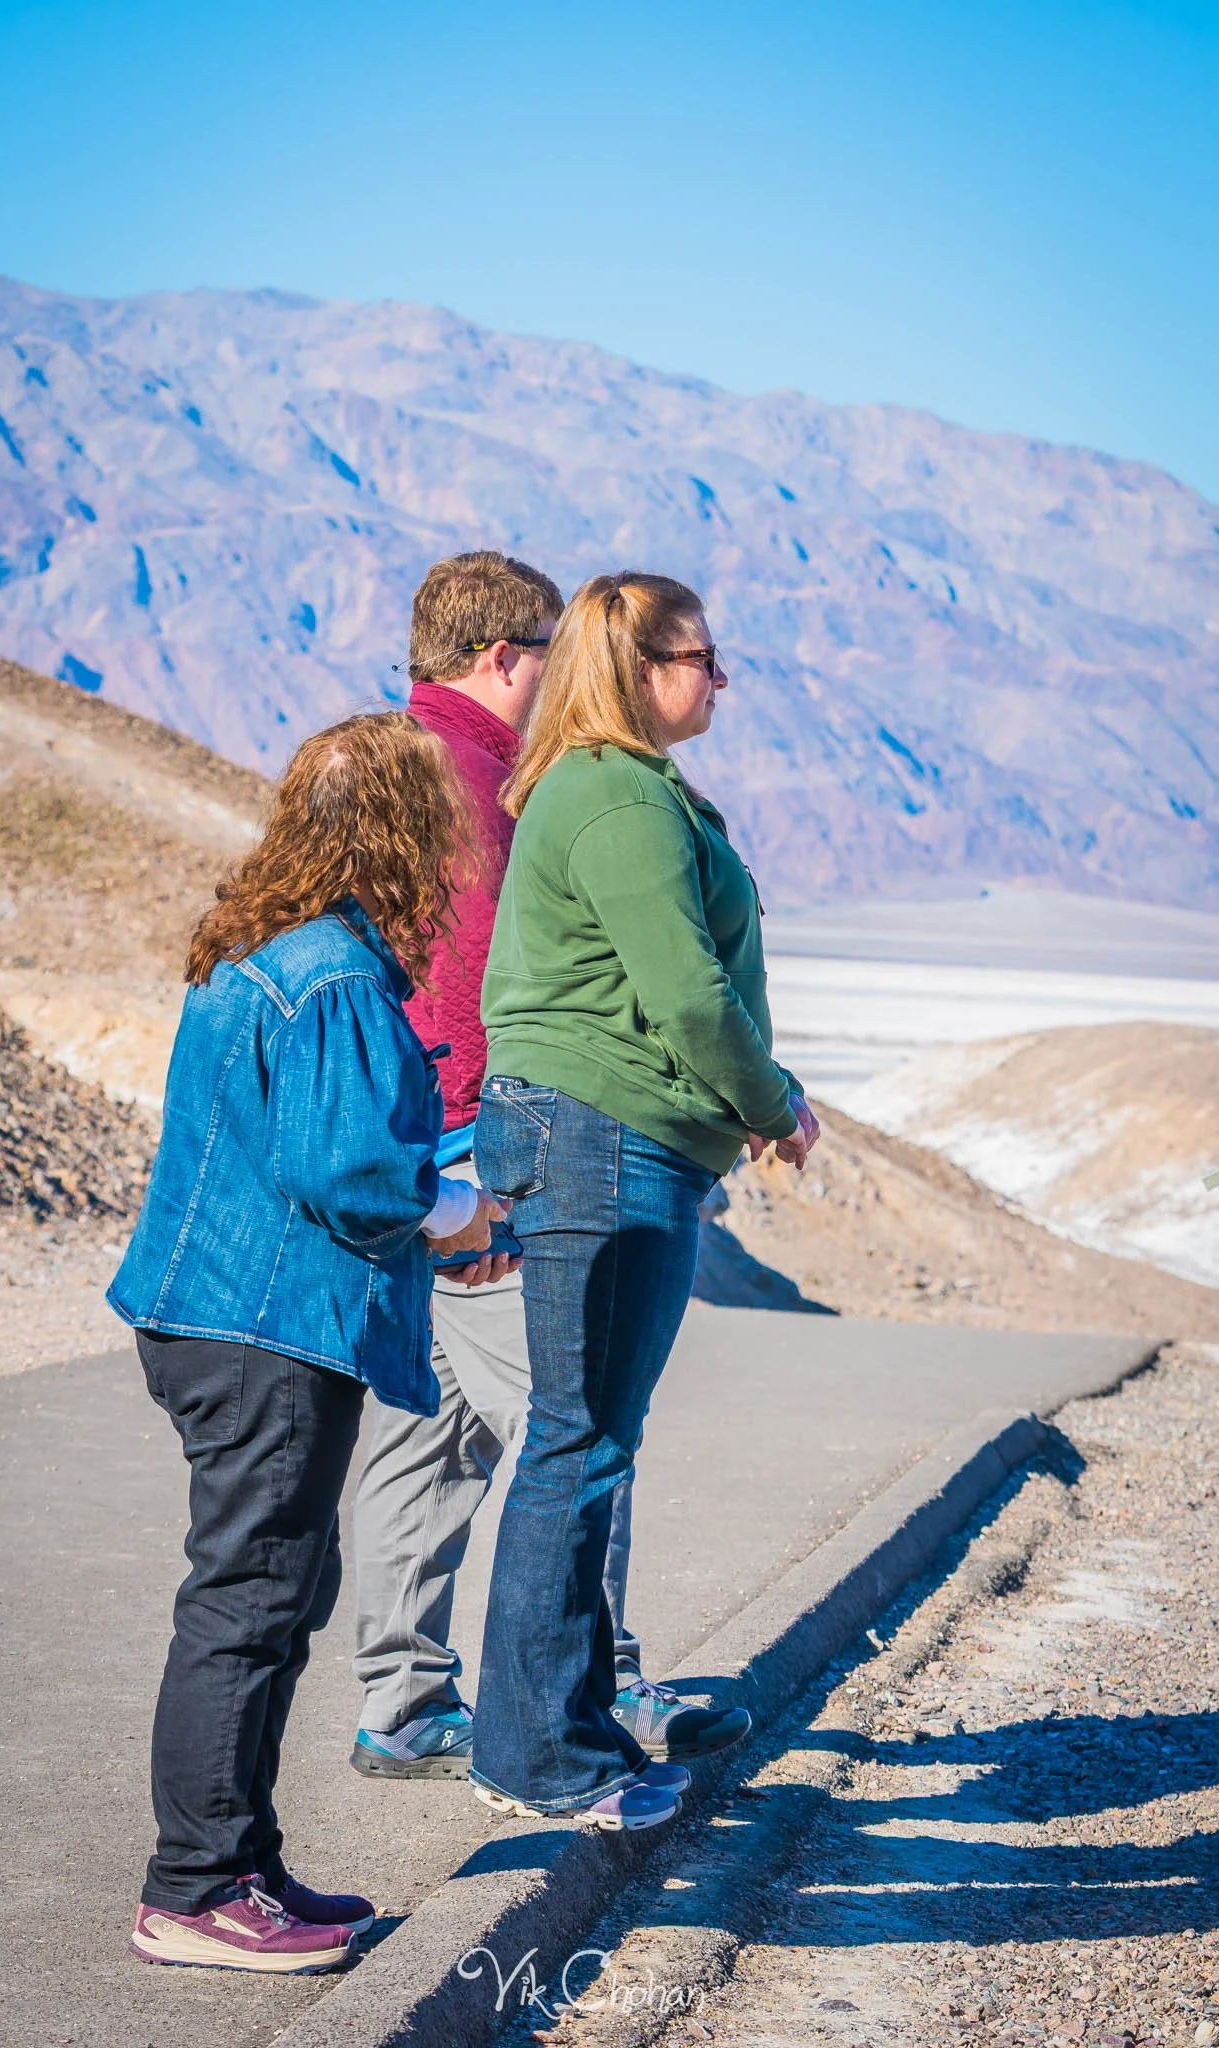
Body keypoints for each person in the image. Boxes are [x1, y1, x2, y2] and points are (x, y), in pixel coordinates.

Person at [107, 712, 505, 1974]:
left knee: (272, 1594)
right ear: (399, 829)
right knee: (248, 1599)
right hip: (267, 1328)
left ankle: (243, 1860)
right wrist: (458, 1206)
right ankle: (196, 1883)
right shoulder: (332, 973)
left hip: (219, 1316)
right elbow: (347, 1174)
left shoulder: (261, 950)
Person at [351, 552, 748, 1777]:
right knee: (574, 1427)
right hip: (479, 1141)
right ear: (507, 657)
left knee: (436, 1422)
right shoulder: (482, 782)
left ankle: (404, 1697)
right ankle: (589, 1692)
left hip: (401, 1141)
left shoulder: (381, 759)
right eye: (549, 646)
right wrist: (491, 1138)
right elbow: (476, 981)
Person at [469, 572, 820, 1831]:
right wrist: (774, 1100)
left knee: (585, 1436)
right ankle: (535, 1755)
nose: (719, 678)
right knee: (576, 1440)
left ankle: (567, 1727)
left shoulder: (629, 785)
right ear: (637, 667)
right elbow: (682, 993)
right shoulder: (616, 794)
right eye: (702, 657)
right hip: (599, 1141)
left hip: (613, 1137)